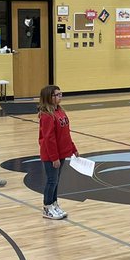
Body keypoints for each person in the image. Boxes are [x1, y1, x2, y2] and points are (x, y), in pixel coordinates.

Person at [38, 84, 78, 220]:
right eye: (56, 95)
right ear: (48, 97)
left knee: (56, 181)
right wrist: (54, 157)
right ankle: (47, 207)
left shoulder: (60, 111)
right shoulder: (47, 115)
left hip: (61, 152)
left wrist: (73, 148)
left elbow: (65, 133)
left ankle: (54, 204)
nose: (59, 97)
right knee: (51, 180)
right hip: (51, 154)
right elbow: (49, 138)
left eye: (60, 94)